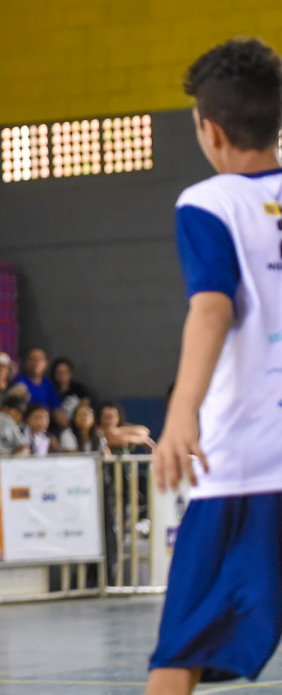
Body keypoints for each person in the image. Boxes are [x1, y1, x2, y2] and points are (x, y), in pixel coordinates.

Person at [147, 38, 282, 694]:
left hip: (246, 464)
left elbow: (211, 308)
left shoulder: (210, 202)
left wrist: (180, 413)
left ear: (211, 128)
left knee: (179, 647)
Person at [50, 356, 92, 424]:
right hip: (56, 427)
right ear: (54, 374)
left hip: (79, 425)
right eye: (59, 372)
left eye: (66, 371)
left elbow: (86, 407)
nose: (63, 375)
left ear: (70, 374)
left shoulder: (79, 389)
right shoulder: (50, 390)